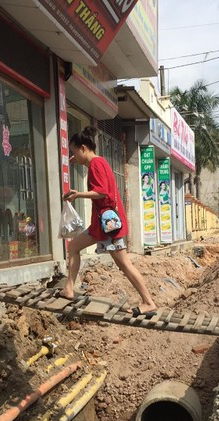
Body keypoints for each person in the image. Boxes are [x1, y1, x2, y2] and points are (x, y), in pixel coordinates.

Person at [61, 126, 158, 317]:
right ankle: (69, 289)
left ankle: (148, 302)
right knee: (73, 247)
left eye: (73, 152)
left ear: (82, 148)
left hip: (108, 226)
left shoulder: (96, 165)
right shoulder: (98, 163)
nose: (73, 156)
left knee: (124, 264)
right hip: (103, 225)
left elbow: (102, 191)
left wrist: (78, 194)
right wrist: (80, 162)